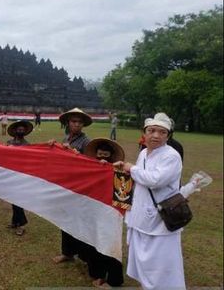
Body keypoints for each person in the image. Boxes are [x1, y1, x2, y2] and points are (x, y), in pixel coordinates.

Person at [114, 112, 186, 289]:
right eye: (152, 130)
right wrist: (124, 168)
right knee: (143, 263)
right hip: (141, 215)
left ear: (167, 136)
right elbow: (140, 177)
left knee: (160, 266)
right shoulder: (144, 153)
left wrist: (132, 169)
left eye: (162, 132)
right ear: (144, 133)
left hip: (160, 218)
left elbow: (154, 180)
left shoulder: (171, 155)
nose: (156, 135)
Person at [50, 108, 92, 264]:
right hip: (66, 183)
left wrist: (77, 155)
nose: (77, 124)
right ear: (68, 123)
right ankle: (67, 253)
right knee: (65, 219)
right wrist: (54, 146)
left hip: (79, 186)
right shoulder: (66, 137)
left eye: (80, 122)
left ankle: (83, 255)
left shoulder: (87, 142)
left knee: (78, 220)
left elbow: (91, 164)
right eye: (74, 121)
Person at [82, 138, 126, 288]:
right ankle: (97, 273)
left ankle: (114, 280)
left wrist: (110, 168)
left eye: (106, 154)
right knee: (94, 241)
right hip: (93, 210)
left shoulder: (120, 171)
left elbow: (123, 193)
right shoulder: (90, 168)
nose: (102, 157)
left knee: (110, 243)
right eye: (99, 154)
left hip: (111, 213)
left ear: (112, 155)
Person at [6, 120, 33, 236]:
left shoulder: (27, 145)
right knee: (13, 199)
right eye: (19, 129)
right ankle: (15, 221)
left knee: (18, 201)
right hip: (10, 174)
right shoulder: (8, 142)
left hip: (21, 175)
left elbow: (29, 161)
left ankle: (22, 224)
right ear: (15, 131)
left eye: (23, 130)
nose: (21, 131)